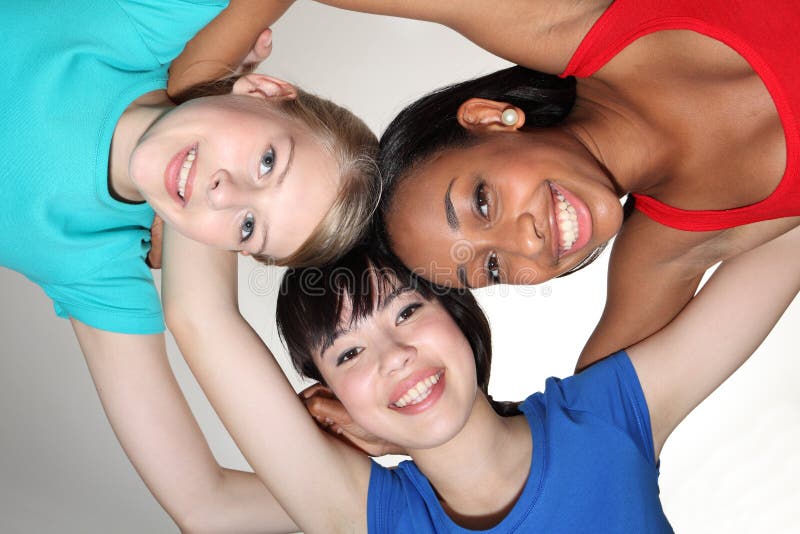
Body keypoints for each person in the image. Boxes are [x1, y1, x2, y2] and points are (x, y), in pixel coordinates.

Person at [164, 211, 800, 531]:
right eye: (349, 352)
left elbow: (783, 243)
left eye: (407, 311)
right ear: (334, 400)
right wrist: (208, 144)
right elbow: (200, 317)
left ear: (457, 312)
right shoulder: (375, 516)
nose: (394, 356)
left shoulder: (603, 417)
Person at [1, 1, 378, 530]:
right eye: (268, 161)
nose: (225, 193)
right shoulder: (140, 24)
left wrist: (419, 476)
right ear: (262, 92)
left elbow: (207, 505)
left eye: (248, 226)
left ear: (231, 251)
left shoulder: (96, 268)